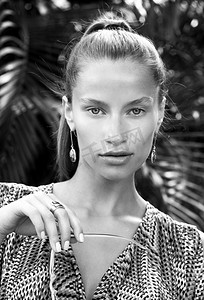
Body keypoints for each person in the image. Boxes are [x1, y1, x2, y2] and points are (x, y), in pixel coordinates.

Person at [0, 13, 203, 300]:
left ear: (159, 112)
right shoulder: (8, 210)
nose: (115, 134)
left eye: (136, 110)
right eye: (96, 110)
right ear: (69, 112)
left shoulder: (190, 253)